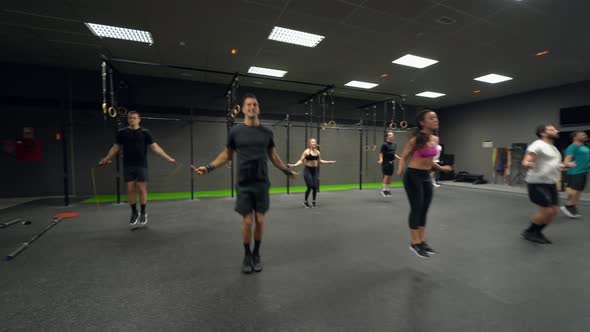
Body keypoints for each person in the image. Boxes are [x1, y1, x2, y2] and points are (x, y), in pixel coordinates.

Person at [192, 93, 296, 274]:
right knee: (248, 221)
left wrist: (286, 170)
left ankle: (256, 254)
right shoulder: (235, 132)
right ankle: (247, 255)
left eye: (255, 104)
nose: (252, 107)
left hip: (262, 183)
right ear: (243, 109)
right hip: (244, 183)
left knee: (260, 220)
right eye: (248, 105)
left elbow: (273, 156)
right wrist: (208, 167)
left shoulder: (267, 132)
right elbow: (226, 155)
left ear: (258, 108)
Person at [99, 111, 176, 228]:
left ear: (139, 120)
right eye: (130, 118)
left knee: (141, 188)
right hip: (128, 165)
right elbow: (115, 148)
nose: (132, 120)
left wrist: (168, 158)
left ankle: (143, 212)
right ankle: (134, 212)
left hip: (141, 164)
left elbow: (155, 147)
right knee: (130, 189)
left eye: (134, 118)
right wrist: (106, 158)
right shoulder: (122, 133)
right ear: (128, 120)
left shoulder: (145, 132)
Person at [397, 110, 453, 258]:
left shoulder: (435, 138)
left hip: (426, 177)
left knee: (424, 210)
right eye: (431, 118)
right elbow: (403, 157)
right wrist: (400, 168)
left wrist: (442, 168)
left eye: (436, 117)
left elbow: (430, 161)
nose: (436, 120)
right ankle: (414, 243)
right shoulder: (415, 140)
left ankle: (422, 241)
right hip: (413, 176)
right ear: (422, 122)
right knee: (416, 209)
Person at [521, 124, 575, 244]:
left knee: (554, 211)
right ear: (543, 133)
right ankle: (530, 232)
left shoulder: (554, 149)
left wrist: (565, 165)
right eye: (552, 129)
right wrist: (528, 163)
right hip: (537, 183)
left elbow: (554, 165)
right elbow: (526, 161)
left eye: (555, 129)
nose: (556, 130)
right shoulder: (537, 145)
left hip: (550, 183)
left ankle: (537, 232)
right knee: (548, 210)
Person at [287, 138, 336, 208]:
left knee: (315, 187)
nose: (314, 143)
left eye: (315, 142)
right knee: (309, 186)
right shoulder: (306, 152)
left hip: (315, 170)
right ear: (309, 143)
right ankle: (305, 202)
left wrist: (329, 162)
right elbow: (301, 160)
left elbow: (320, 161)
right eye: (312, 142)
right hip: (308, 170)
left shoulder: (317, 152)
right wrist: (295, 165)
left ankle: (313, 202)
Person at [561, 131, 589, 218]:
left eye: (585, 134)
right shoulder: (572, 147)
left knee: (579, 191)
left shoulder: (584, 147)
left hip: (584, 171)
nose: (585, 135)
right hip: (575, 172)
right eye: (582, 134)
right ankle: (568, 206)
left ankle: (571, 206)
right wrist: (567, 165)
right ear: (575, 137)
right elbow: (566, 161)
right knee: (575, 191)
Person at [377, 131, 401, 196]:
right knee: (386, 175)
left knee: (390, 176)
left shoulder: (394, 144)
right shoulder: (384, 144)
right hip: (385, 162)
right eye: (390, 135)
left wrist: (399, 158)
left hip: (391, 162)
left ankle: (388, 190)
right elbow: (381, 153)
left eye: (393, 135)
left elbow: (393, 153)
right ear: (387, 137)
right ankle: (384, 190)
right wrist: (381, 160)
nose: (392, 136)